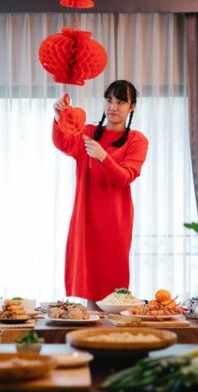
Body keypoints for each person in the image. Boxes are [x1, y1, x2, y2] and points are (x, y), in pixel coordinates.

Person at [52, 80, 149, 309]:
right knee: (89, 280)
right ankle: (90, 336)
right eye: (109, 100)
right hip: (85, 218)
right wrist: (59, 118)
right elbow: (65, 143)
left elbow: (126, 176)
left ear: (131, 107)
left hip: (115, 221)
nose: (113, 107)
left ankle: (112, 338)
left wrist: (103, 156)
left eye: (121, 102)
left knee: (112, 282)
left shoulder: (137, 140)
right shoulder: (88, 132)